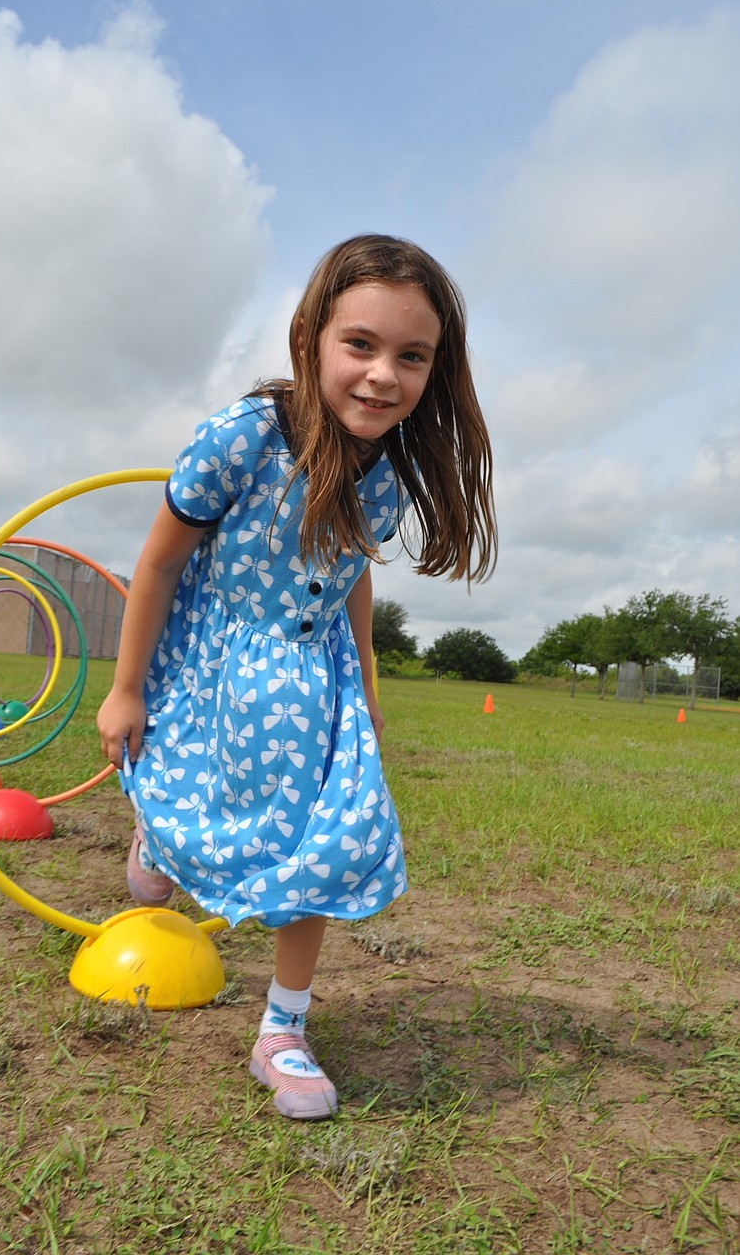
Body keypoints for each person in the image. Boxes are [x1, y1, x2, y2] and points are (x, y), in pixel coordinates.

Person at [97, 233, 496, 1119]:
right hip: (216, 657)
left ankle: (283, 1029)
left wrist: (367, 687)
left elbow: (352, 573)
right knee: (200, 791)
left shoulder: (390, 467)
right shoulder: (242, 439)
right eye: (360, 344)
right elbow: (159, 563)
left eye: (412, 356)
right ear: (310, 337)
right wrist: (126, 689)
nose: (383, 375)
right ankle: (158, 838)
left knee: (324, 842)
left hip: (317, 675)